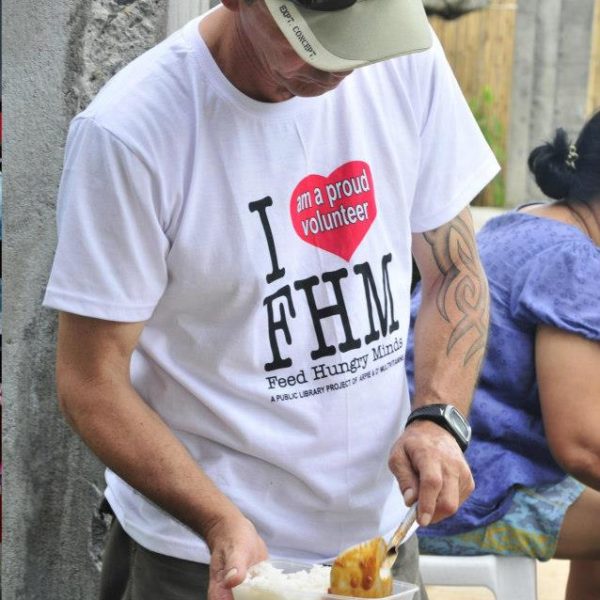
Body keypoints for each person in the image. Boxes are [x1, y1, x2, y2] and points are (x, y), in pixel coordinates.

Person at [43, 0, 500, 598]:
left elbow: (454, 269)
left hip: (381, 541)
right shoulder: (131, 133)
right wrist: (217, 520)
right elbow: (90, 381)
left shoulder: (401, 55)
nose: (342, 65)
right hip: (202, 556)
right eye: (312, 38)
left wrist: (438, 418)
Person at [407, 111, 600, 600]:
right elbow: (581, 445)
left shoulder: (527, 222)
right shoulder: (573, 261)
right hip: (451, 489)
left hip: (420, 467)